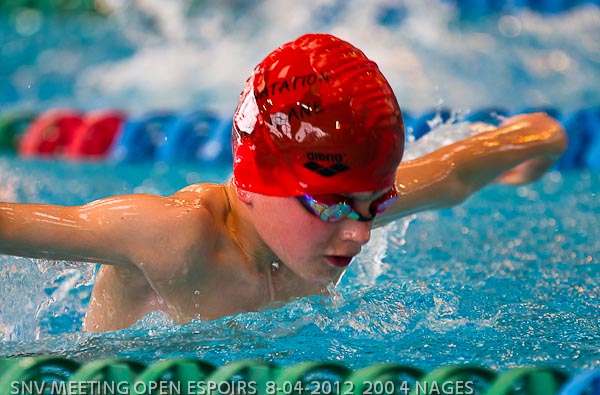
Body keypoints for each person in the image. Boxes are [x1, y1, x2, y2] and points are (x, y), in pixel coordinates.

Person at [0, 33, 567, 332]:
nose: (360, 232)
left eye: (377, 203)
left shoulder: (341, 214)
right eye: (332, 206)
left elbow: (456, 172)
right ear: (253, 183)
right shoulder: (174, 236)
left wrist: (539, 144)